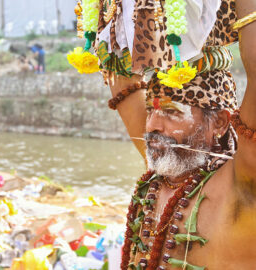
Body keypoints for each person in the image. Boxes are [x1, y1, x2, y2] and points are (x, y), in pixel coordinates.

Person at [76, 0, 256, 268]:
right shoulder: (161, 171)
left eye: (172, 112)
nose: (152, 126)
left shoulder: (242, 186)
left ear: (218, 122)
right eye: (151, 111)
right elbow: (121, 81)